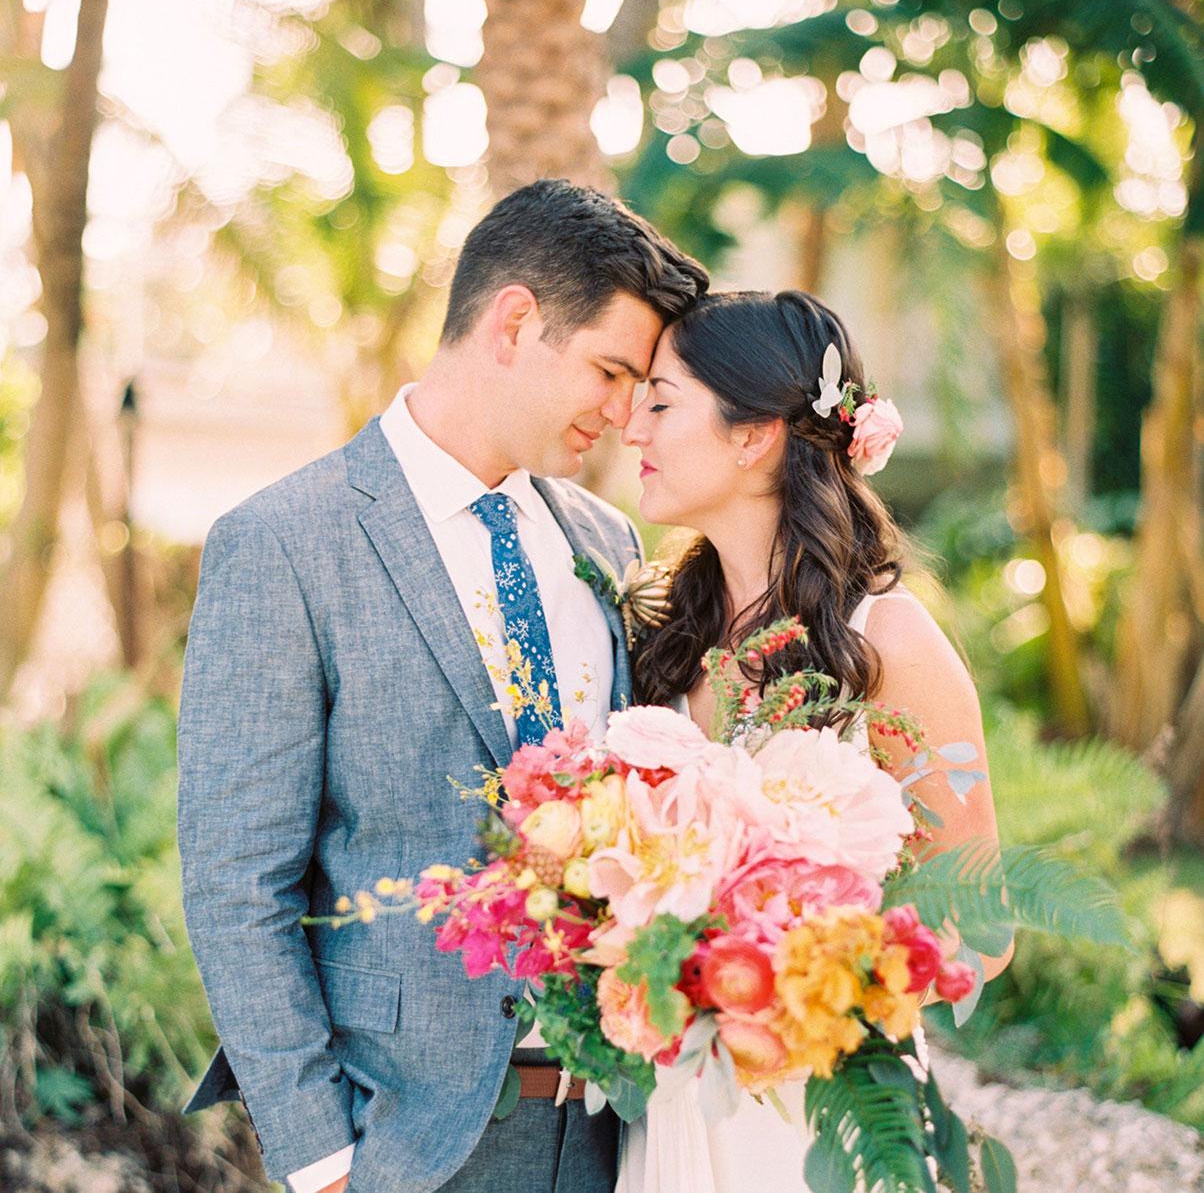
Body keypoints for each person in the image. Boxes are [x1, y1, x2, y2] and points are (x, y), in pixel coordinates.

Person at [176, 178, 708, 1193]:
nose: (622, 411)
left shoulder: (606, 542)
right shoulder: (285, 542)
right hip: (411, 1146)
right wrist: (321, 1162)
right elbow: (238, 882)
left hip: (616, 1136)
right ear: (514, 322)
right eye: (608, 369)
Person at [617, 289, 1012, 1193]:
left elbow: (982, 936)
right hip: (677, 1106)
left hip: (826, 1119)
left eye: (663, 400)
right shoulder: (660, 635)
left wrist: (793, 972)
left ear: (754, 435)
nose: (632, 426)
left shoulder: (893, 643)